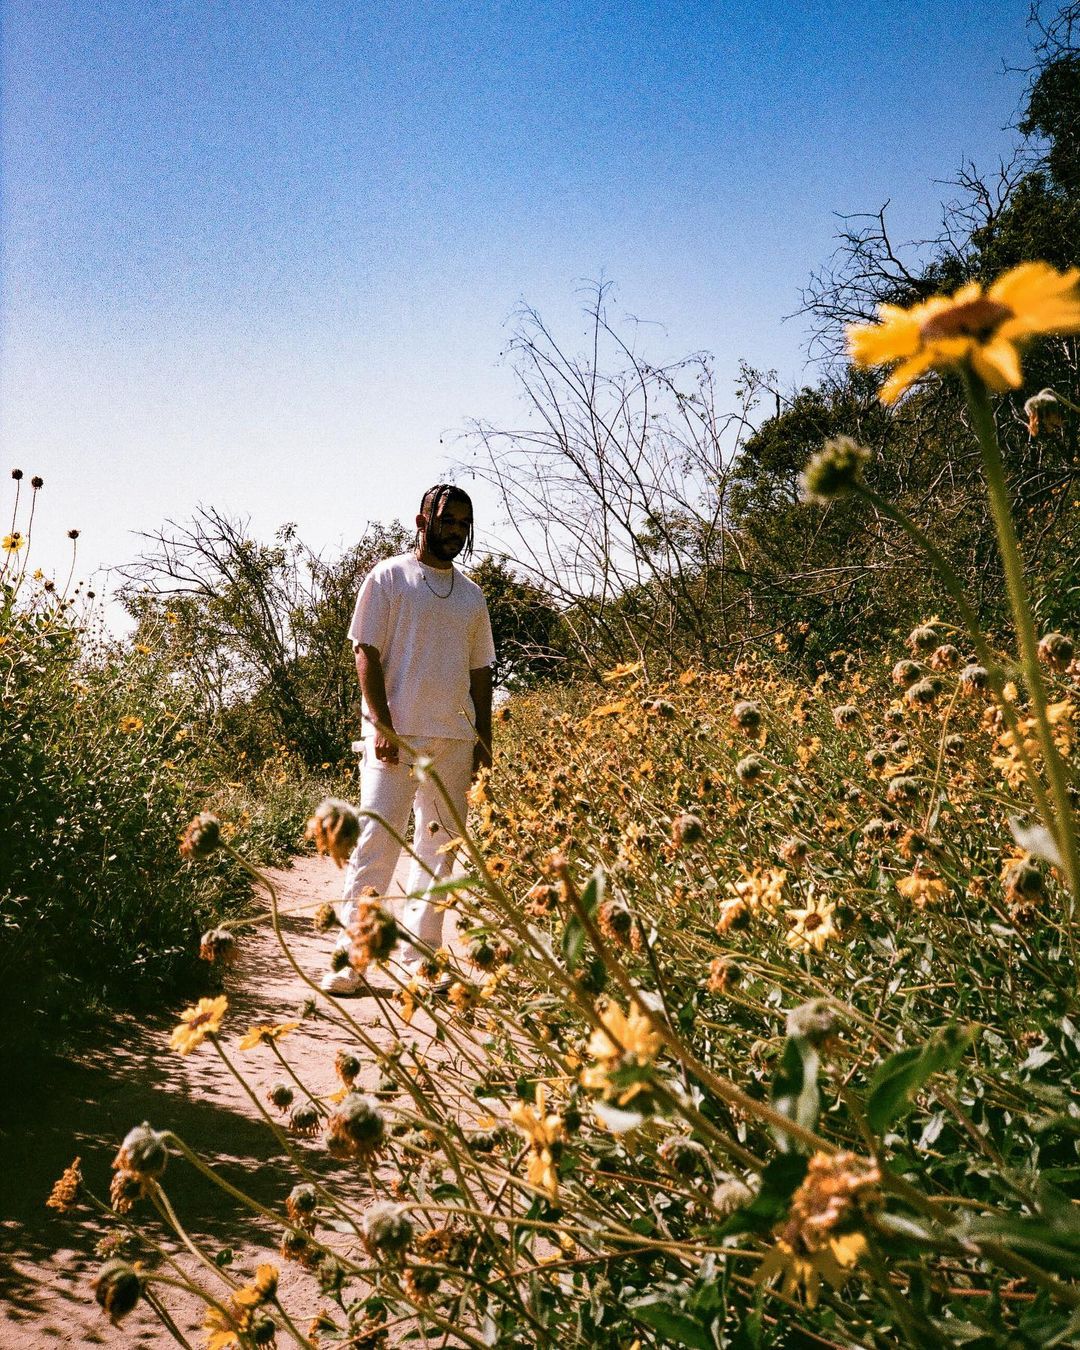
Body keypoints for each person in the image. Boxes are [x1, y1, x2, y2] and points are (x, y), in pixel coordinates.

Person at [321, 484, 495, 995]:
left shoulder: (472, 596)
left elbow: (480, 674)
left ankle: (424, 962)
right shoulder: (388, 577)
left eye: (463, 523)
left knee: (439, 853)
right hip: (394, 738)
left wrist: (484, 742)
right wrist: (381, 724)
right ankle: (351, 961)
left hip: (454, 740)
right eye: (447, 520)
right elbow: (366, 652)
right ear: (422, 521)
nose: (455, 531)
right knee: (375, 846)